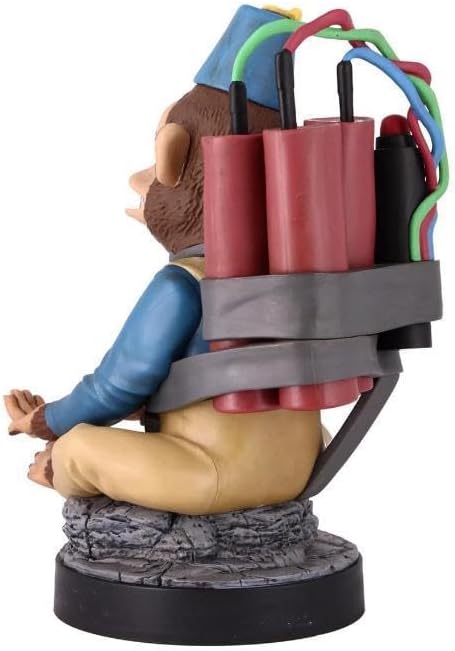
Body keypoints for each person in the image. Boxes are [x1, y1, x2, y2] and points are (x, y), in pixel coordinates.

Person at [4, 5, 324, 515]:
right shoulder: (299, 270)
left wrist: (49, 424)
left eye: (158, 165)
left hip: (213, 473)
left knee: (81, 445)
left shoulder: (183, 284)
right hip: (302, 465)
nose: (144, 180)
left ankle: (60, 469)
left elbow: (117, 385)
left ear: (178, 164)